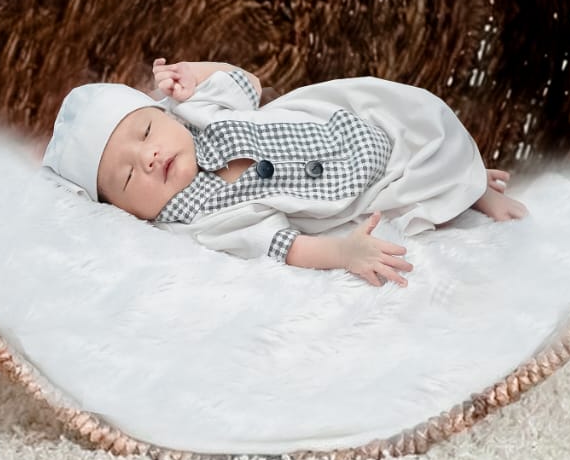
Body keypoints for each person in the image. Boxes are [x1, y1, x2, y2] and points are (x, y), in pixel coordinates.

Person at [41, 58, 527, 289]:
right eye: (128, 177)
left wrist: (195, 72)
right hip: (355, 193)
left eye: (146, 131)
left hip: (346, 126)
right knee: (415, 199)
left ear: (162, 113)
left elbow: (247, 82)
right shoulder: (201, 217)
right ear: (128, 212)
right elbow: (281, 245)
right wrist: (343, 253)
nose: (148, 158)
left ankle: (470, 173)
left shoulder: (197, 113)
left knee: (425, 113)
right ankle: (473, 190)